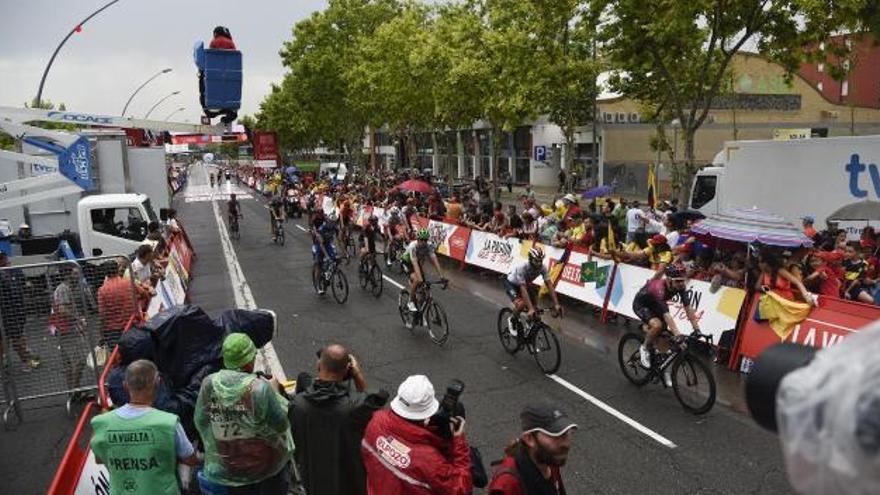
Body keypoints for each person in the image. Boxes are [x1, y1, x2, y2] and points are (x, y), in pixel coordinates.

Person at [195, 333, 293, 494]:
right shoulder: (259, 388)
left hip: (230, 464)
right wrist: (276, 395)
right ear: (249, 360)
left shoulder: (209, 384)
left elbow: (201, 421)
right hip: (262, 465)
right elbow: (280, 425)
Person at [289, 344, 389, 495]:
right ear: (347, 370)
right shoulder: (355, 409)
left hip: (313, 480)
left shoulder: (298, 404)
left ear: (318, 365)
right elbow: (374, 399)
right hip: (349, 483)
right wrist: (357, 375)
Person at [91, 359, 199, 495]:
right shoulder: (168, 423)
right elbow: (190, 459)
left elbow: (99, 459)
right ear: (158, 383)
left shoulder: (102, 424)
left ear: (125, 386)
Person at [361, 375, 473, 494]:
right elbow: (460, 488)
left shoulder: (376, 420)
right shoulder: (429, 460)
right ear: (427, 411)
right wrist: (459, 442)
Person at [487, 403, 577, 494]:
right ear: (529, 439)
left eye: (566, 434)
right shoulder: (508, 484)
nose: (566, 444)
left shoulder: (550, 459)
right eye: (555, 436)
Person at [632, 265, 702, 373]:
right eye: (677, 281)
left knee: (664, 335)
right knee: (658, 325)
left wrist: (697, 329)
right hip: (641, 305)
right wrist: (678, 335)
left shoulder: (681, 287)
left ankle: (662, 368)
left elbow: (688, 309)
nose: (681, 284)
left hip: (655, 305)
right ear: (669, 280)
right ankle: (644, 347)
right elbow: (667, 315)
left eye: (682, 281)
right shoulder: (659, 288)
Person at [504, 247, 562, 337]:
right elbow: (522, 289)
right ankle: (512, 319)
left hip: (526, 284)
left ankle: (527, 328)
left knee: (536, 313)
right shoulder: (522, 268)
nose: (539, 263)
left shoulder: (543, 268)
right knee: (521, 305)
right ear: (530, 259)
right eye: (536, 261)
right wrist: (530, 309)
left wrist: (556, 304)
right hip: (512, 284)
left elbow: (550, 286)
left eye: (540, 261)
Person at [0, 249, 40, 371]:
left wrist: (28, 285)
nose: (2, 260)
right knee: (9, 340)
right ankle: (24, 361)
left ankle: (26, 360)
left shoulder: (14, 271)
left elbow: (24, 282)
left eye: (3, 257)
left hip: (17, 311)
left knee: (17, 338)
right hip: (4, 314)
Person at [401, 229, 446, 326]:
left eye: (425, 240)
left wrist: (442, 277)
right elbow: (414, 264)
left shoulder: (428, 246)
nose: (423, 242)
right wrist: (420, 280)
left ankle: (420, 314)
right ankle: (410, 302)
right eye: (421, 240)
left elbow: (435, 261)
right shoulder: (413, 246)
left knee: (424, 293)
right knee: (417, 280)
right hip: (407, 262)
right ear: (417, 239)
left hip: (418, 263)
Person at [199, 26, 239, 125]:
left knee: (202, 80)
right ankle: (226, 118)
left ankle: (208, 109)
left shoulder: (214, 42)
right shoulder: (231, 43)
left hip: (215, 78)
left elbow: (212, 58)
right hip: (230, 79)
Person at [97, 258, 137, 349]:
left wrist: (101, 332)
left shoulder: (102, 290)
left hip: (113, 331)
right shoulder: (128, 283)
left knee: (117, 355)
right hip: (130, 324)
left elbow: (102, 314)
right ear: (117, 269)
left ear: (105, 273)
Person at [311, 211, 338, 295]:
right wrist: (327, 256)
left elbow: (337, 239)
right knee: (318, 264)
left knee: (335, 260)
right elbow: (321, 245)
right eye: (331, 222)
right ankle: (318, 285)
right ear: (328, 221)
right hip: (319, 245)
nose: (333, 224)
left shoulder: (334, 227)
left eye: (334, 222)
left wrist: (338, 252)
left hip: (328, 244)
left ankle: (327, 275)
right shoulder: (322, 228)